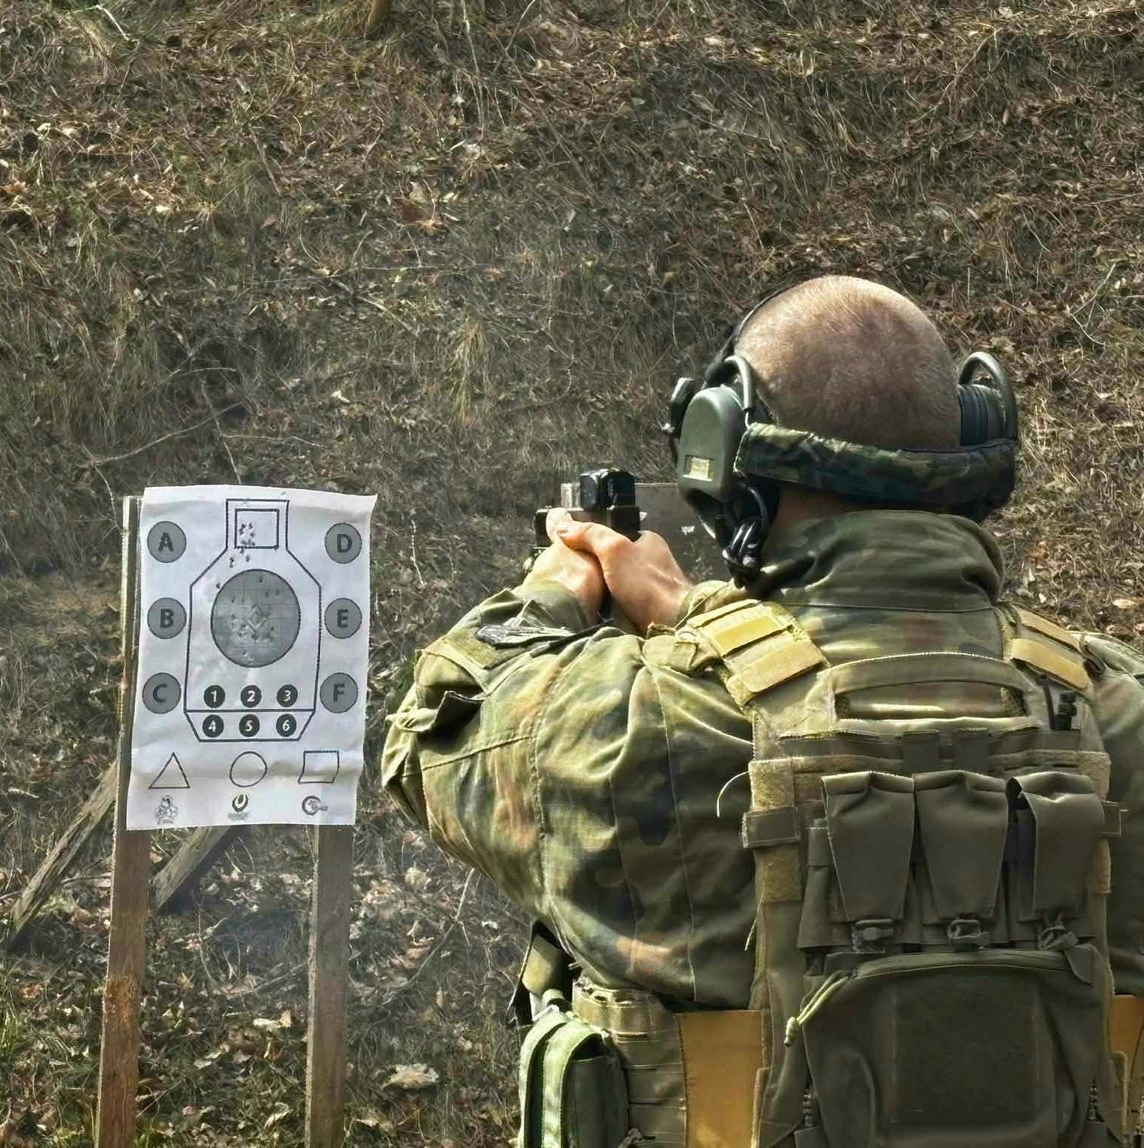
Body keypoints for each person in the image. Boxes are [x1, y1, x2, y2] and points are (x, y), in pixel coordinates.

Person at [382, 276, 1144, 1148]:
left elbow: (431, 733)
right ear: (974, 442)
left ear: (724, 455)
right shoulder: (1119, 712)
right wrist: (702, 616)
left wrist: (555, 589)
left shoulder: (642, 722)